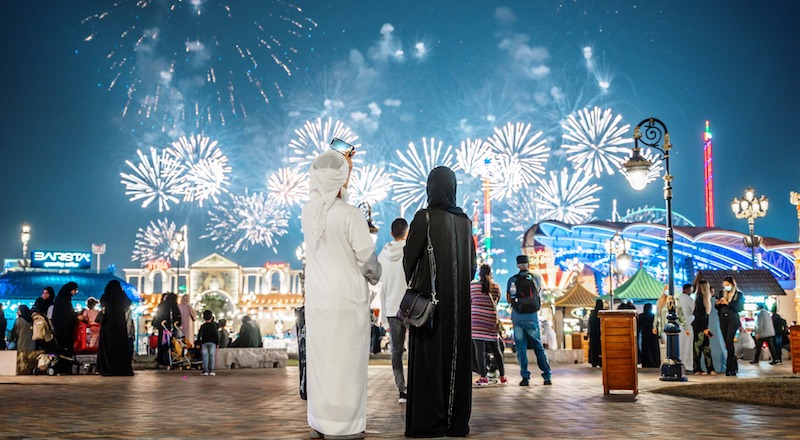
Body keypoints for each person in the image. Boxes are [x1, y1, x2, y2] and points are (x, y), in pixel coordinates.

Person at [302, 149, 382, 440]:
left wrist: (340, 167)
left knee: (322, 362)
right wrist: (378, 274)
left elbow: (327, 196)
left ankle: (320, 420)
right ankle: (344, 425)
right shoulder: (351, 215)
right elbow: (369, 263)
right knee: (347, 365)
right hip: (347, 302)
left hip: (318, 302)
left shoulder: (308, 211)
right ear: (341, 179)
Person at [404, 166, 476, 438]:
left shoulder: (424, 217)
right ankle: (456, 423)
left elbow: (409, 259)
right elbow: (471, 269)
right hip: (459, 309)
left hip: (430, 309)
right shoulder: (465, 222)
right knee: (456, 361)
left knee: (428, 361)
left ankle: (429, 423)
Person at [377, 217, 410, 403]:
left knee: (396, 351)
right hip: (411, 307)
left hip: (391, 309)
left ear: (391, 233)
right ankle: (417, 384)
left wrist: (382, 317)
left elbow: (380, 288)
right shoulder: (411, 252)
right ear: (407, 233)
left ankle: (402, 390)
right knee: (416, 349)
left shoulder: (382, 256)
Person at [507, 255, 551, 387]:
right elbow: (539, 296)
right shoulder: (536, 278)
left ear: (517, 265)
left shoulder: (512, 280)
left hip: (518, 317)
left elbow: (509, 298)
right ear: (528, 264)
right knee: (538, 346)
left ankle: (525, 377)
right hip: (532, 316)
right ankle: (547, 375)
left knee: (521, 348)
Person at [471, 264, 507, 386]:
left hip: (476, 321)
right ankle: (502, 376)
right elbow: (495, 301)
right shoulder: (496, 287)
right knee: (496, 349)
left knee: (479, 350)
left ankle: (483, 377)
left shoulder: (473, 286)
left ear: (479, 274)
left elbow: (470, 301)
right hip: (491, 320)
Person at [97, 280, 133, 376]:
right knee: (121, 347)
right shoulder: (122, 296)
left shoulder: (105, 297)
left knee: (108, 347)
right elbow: (128, 303)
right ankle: (121, 369)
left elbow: (102, 305)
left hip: (107, 326)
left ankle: (107, 368)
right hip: (119, 325)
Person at [715, 276, 744, 376]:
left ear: (732, 284)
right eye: (724, 285)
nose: (726, 287)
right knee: (727, 343)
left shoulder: (738, 295)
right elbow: (717, 308)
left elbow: (739, 308)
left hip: (733, 319)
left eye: (727, 285)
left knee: (729, 341)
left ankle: (729, 367)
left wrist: (728, 303)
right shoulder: (721, 293)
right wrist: (718, 303)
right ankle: (733, 363)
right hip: (723, 318)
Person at [51, 282, 79, 374]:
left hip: (64, 329)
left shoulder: (64, 299)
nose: (75, 292)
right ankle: (61, 369)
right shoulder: (63, 300)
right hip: (63, 330)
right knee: (64, 350)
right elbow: (66, 315)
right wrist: (77, 316)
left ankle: (65, 369)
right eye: (75, 290)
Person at [691, 281, 716, 375]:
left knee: (705, 347)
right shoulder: (700, 298)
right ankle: (698, 368)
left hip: (702, 326)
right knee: (699, 348)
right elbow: (701, 315)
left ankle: (708, 368)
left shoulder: (702, 299)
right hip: (700, 327)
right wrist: (705, 328)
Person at [153, 293, 181, 366]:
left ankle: (162, 358)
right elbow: (178, 318)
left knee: (163, 343)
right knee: (173, 343)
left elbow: (158, 316)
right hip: (172, 328)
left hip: (163, 328)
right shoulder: (174, 306)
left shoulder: (163, 305)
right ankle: (172, 358)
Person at [677, 284, 695, 370]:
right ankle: (687, 364)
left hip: (679, 325)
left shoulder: (677, 299)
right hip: (688, 324)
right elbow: (694, 310)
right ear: (688, 290)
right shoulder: (689, 299)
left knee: (680, 345)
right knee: (688, 345)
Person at [197, 310, 220, 376]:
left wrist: (198, 343)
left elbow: (199, 335)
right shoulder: (213, 326)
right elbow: (216, 335)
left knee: (205, 356)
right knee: (212, 356)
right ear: (211, 317)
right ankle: (211, 370)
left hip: (204, 343)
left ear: (204, 318)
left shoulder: (202, 326)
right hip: (212, 343)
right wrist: (217, 343)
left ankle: (205, 371)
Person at [638, 303, 661, 368]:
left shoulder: (641, 316)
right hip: (653, 336)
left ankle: (646, 363)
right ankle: (655, 363)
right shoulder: (653, 316)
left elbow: (639, 327)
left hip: (645, 335)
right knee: (654, 350)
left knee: (646, 350)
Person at [588, 299, 604, 368]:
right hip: (601, 334)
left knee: (594, 348)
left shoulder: (593, 313)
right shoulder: (603, 312)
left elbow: (590, 324)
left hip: (594, 334)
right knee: (601, 349)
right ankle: (601, 362)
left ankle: (594, 361)